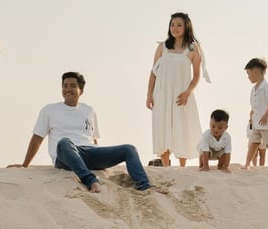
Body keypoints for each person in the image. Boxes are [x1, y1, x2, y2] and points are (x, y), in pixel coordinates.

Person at [11, 71, 162, 194]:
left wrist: (100, 155)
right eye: (65, 86)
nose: (68, 89)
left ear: (81, 90)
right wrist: (25, 165)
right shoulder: (49, 110)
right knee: (64, 142)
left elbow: (93, 139)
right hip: (65, 156)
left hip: (89, 153)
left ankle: (144, 186)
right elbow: (37, 138)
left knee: (129, 149)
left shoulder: (89, 110)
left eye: (72, 86)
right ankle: (91, 180)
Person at [146, 12, 206, 166]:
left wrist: (188, 92)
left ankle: (182, 167)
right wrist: (149, 95)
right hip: (162, 95)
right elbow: (153, 73)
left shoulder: (193, 49)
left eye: (179, 25)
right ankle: (166, 166)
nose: (175, 28)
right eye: (173, 24)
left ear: (186, 27)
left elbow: (197, 76)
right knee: (163, 126)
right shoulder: (162, 47)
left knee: (181, 127)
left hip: (181, 95)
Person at [244, 58, 268, 168]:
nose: (248, 76)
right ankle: (247, 164)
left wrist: (265, 116)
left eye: (248, 73)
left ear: (255, 71)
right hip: (256, 123)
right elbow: (254, 106)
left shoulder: (267, 87)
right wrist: (251, 116)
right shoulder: (253, 89)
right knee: (253, 144)